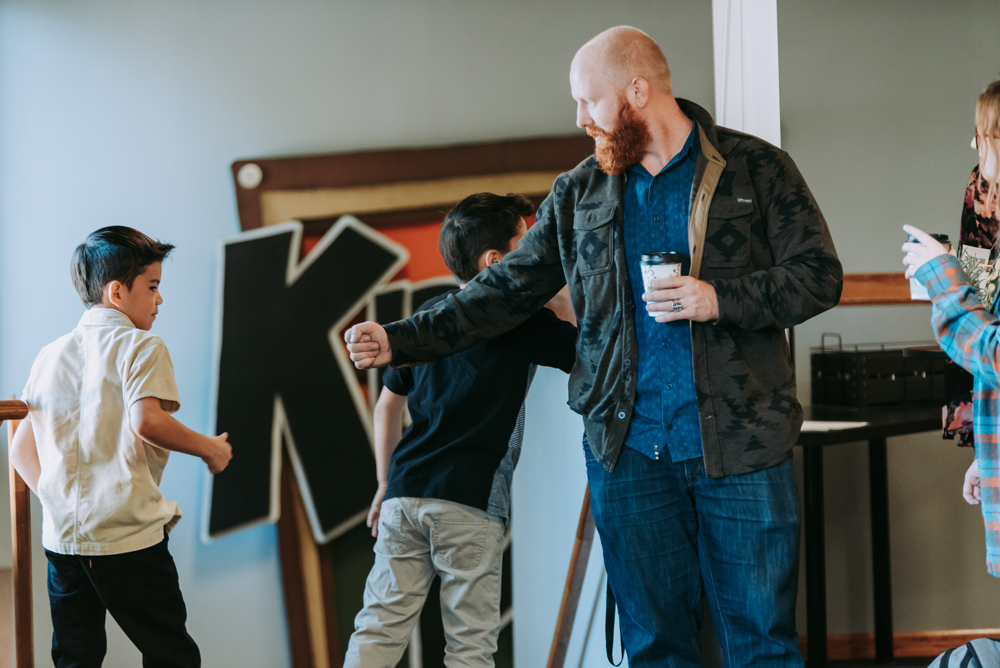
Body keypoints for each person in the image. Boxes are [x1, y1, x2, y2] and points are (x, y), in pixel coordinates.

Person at [344, 26, 842, 667]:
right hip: (626, 454)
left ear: (636, 91)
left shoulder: (758, 167)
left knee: (762, 646)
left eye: (589, 100)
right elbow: (501, 291)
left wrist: (719, 298)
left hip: (743, 447)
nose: (581, 119)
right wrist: (401, 339)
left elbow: (819, 277)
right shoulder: (578, 191)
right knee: (655, 649)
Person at [343, 193, 577, 668]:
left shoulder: (430, 318)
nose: (537, 255)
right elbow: (585, 353)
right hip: (469, 498)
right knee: (470, 645)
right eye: (527, 246)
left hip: (404, 494)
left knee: (379, 626)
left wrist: (384, 483)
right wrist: (556, 297)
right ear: (497, 261)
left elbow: (388, 406)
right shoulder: (520, 321)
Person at [10, 226, 233, 668]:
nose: (159, 299)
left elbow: (19, 451)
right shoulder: (141, 345)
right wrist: (209, 448)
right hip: (125, 537)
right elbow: (147, 421)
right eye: (152, 286)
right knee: (170, 653)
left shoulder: (49, 355)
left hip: (63, 541)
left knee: (76, 656)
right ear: (117, 292)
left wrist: (58, 500)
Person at [903, 79, 1000, 577]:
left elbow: (994, 352)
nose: (973, 145)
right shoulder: (981, 204)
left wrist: (944, 277)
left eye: (983, 134)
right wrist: (988, 453)